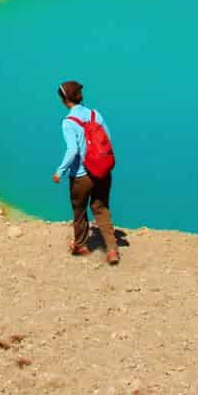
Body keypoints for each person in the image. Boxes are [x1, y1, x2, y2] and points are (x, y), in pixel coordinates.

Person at [51, 79, 119, 264]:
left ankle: (81, 245)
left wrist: (60, 171)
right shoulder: (95, 114)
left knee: (79, 209)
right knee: (101, 208)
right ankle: (112, 250)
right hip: (103, 172)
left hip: (82, 176)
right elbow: (108, 140)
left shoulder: (68, 122)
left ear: (65, 100)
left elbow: (73, 150)